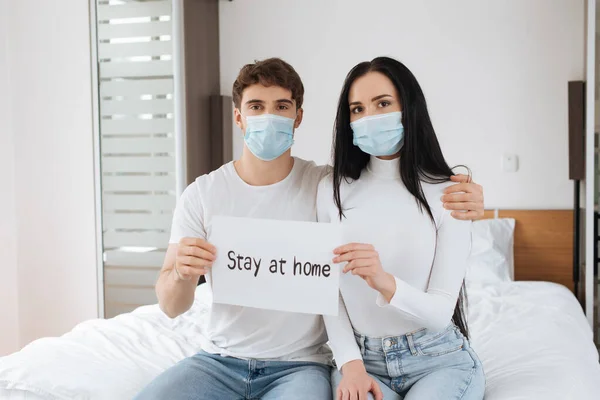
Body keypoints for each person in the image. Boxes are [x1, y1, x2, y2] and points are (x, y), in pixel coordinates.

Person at [134, 58, 485, 400]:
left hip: (302, 365)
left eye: (282, 106)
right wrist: (181, 273)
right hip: (220, 360)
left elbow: (388, 195)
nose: (268, 117)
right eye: (256, 106)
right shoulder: (202, 194)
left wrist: (471, 192)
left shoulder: (324, 185)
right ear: (239, 116)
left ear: (298, 117)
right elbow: (170, 306)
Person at [317, 56, 486, 400]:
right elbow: (328, 293)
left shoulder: (449, 193)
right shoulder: (330, 190)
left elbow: (440, 313)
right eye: (357, 109)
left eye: (383, 103)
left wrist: (382, 280)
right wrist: (350, 366)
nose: (370, 117)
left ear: (409, 108)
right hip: (363, 362)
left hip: (438, 360)